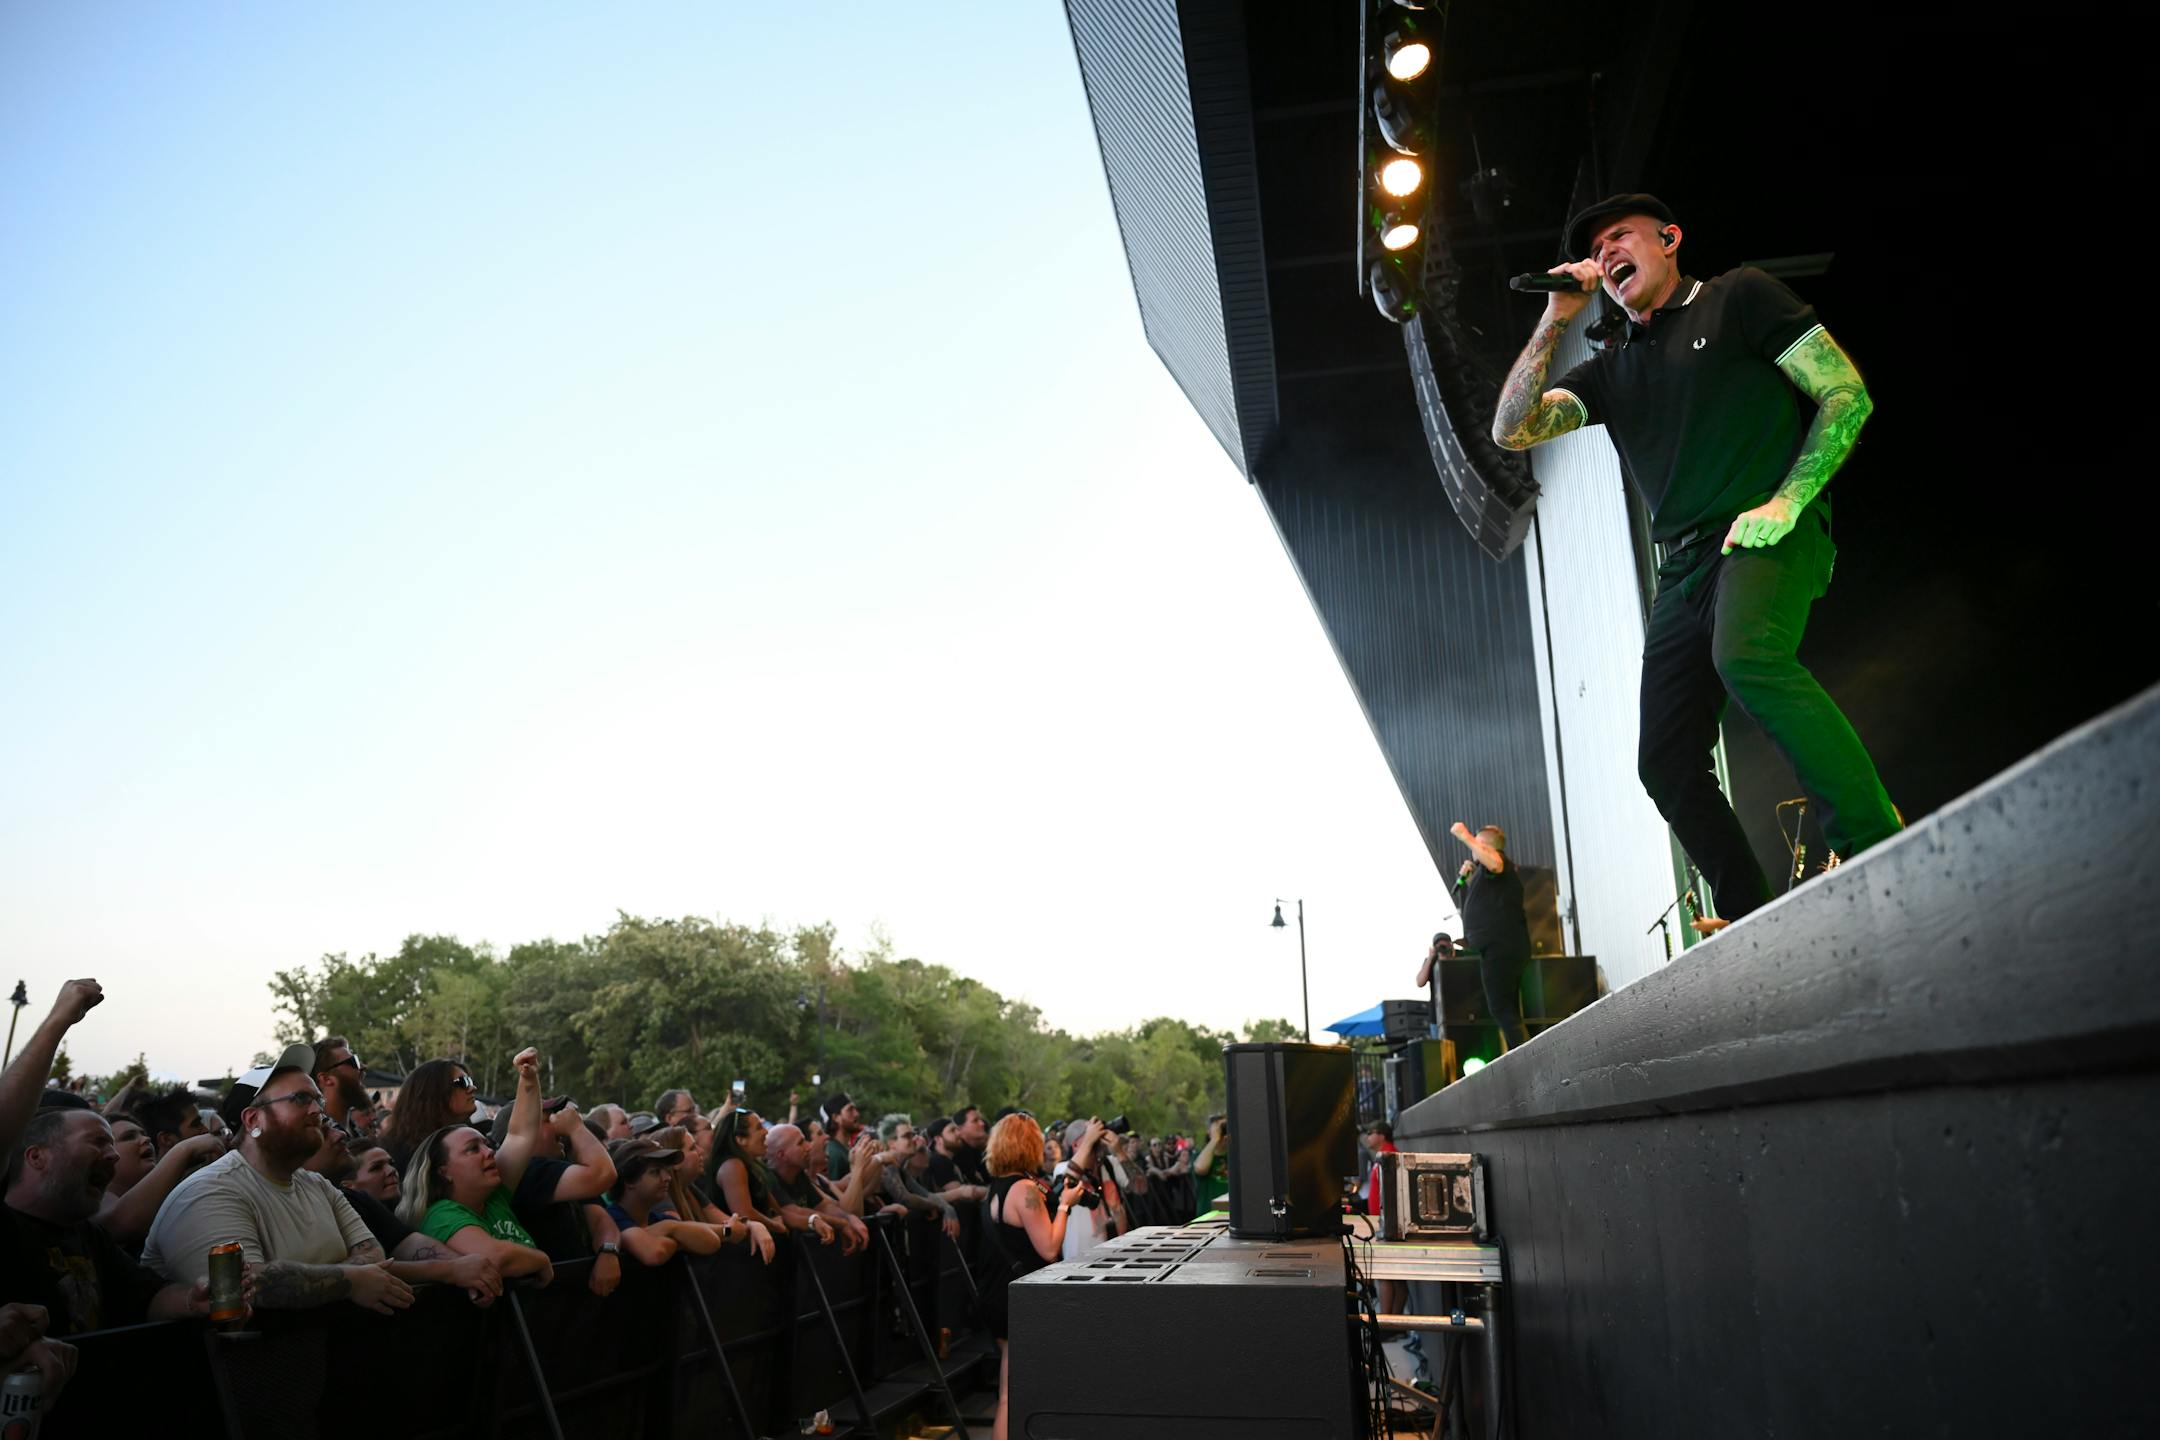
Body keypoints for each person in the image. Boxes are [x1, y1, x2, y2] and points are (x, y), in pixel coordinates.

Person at [1492, 193, 1900, 931]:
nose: (1607, 253)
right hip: (1681, 570)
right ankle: (1748, 915)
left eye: (1621, 237)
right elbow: (1512, 430)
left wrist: (1786, 503)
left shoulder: (1738, 296)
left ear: (1670, 238)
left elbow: (1846, 394)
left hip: (1762, 529)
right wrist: (1557, 316)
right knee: (1665, 761)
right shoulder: (1611, 367)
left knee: (1749, 658)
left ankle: (1876, 843)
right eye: (1597, 249)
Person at [142, 1044, 410, 1314]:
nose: (318, 1111)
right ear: (253, 1120)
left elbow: (372, 1252)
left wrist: (334, 1280)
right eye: (301, 1099)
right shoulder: (209, 1191)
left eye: (318, 1100)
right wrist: (351, 1281)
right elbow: (248, 1287)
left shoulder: (317, 1184)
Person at [2, 1107, 234, 1335]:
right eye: (98, 1142)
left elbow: (149, 1297)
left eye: (112, 1144)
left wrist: (193, 1300)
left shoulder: (90, 1236)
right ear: (37, 1157)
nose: (114, 1155)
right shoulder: (7, 1230)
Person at [302, 1121, 504, 1307]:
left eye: (390, 1163)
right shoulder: (295, 1201)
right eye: (323, 1131)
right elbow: (357, 1271)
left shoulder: (353, 1198)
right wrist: (450, 1270)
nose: (341, 1134)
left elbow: (407, 1243)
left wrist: (470, 1271)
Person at [984, 1114, 1083, 1440]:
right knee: (1017, 1392)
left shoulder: (995, 1189)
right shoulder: (1024, 1190)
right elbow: (1049, 1247)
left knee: (1008, 1392)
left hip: (998, 1293)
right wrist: (1065, 1206)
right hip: (1020, 1300)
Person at [395, 1125, 556, 1287]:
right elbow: (494, 1259)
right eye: (473, 1149)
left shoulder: (494, 1198)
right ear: (444, 1172)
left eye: (487, 1145)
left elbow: (521, 1133)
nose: (489, 1152)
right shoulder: (439, 1215)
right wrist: (541, 1259)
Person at [1425, 822, 1533, 1051]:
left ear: (1483, 844)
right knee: (1507, 1009)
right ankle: (1523, 1052)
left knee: (1501, 1007)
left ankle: (1527, 1056)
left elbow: (1494, 862)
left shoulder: (1498, 863)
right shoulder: (1488, 874)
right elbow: (1483, 900)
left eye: (1477, 843)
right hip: (1501, 946)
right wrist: (1466, 879)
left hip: (1500, 948)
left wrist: (1465, 836)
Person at [704, 1109, 841, 1250]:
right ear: (741, 1139)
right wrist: (776, 1226)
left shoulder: (754, 1166)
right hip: (740, 1253)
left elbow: (781, 1212)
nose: (766, 1131)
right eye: (759, 1127)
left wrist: (812, 1221)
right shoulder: (733, 1166)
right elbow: (744, 1214)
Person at [763, 1123, 869, 1253]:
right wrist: (842, 1223)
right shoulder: (768, 1178)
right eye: (801, 1143)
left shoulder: (799, 1174)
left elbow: (824, 1206)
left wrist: (848, 1217)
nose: (809, 1146)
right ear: (782, 1155)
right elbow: (793, 1212)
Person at [376, 1058, 480, 1173]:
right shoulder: (407, 1157)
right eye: (462, 1082)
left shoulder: (471, 1139)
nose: (472, 1088)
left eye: (470, 1081)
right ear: (433, 1091)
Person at [1051, 1118, 1127, 1260]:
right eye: (1090, 1134)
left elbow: (1141, 1187)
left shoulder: (1109, 1164)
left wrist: (1119, 1151)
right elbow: (1069, 1180)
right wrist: (1089, 1141)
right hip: (1079, 1260)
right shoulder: (1062, 1168)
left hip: (1116, 1256)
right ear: (1075, 1145)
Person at [310, 1036, 375, 1135]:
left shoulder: (356, 1132)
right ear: (326, 1079)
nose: (362, 1067)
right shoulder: (320, 1138)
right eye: (353, 1061)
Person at [820, 1092, 863, 1180]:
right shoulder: (833, 1154)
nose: (856, 1114)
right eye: (850, 1110)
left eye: (855, 1109)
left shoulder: (844, 1149)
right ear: (836, 1118)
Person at [1192, 1115, 1230, 1215]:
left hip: (1233, 1215)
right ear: (1209, 1132)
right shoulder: (1199, 1155)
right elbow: (1200, 1168)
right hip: (1209, 1215)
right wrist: (1215, 1139)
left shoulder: (1235, 1156)